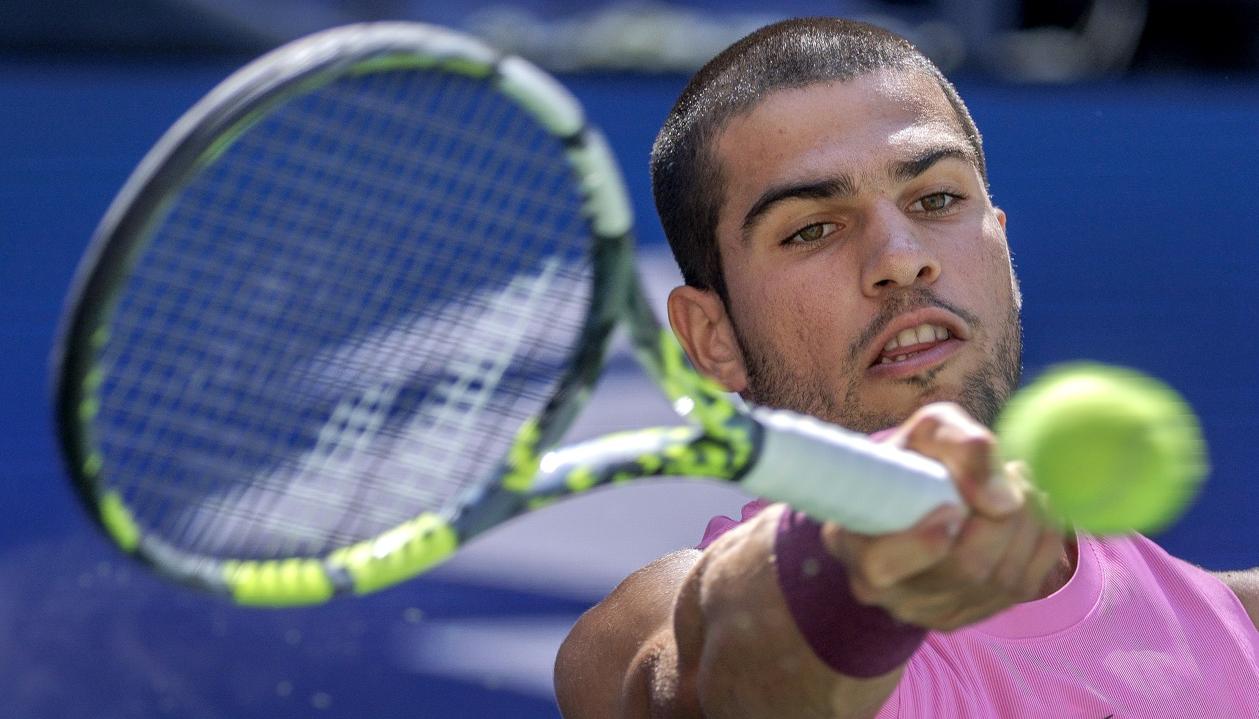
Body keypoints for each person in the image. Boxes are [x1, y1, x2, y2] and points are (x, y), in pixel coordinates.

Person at [552, 17, 1259, 718]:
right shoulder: (642, 629)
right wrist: (847, 563)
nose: (899, 256)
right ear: (712, 336)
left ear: (1002, 255)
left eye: (938, 198)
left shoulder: (1238, 627)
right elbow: (710, 674)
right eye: (811, 229)